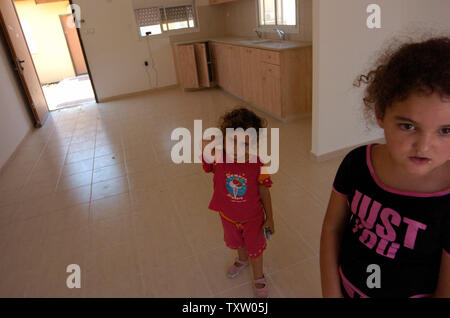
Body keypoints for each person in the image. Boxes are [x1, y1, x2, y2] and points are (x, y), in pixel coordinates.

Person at [320, 37, 450, 298]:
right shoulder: (356, 163)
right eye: (408, 126)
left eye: (446, 131)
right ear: (381, 113)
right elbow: (332, 229)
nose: (424, 147)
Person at [201, 107, 275, 298]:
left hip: (253, 218)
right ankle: (242, 260)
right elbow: (205, 156)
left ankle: (258, 276)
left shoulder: (259, 164)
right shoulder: (218, 158)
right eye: (233, 141)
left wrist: (270, 218)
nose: (238, 148)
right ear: (224, 139)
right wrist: (209, 145)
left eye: (246, 143)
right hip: (227, 215)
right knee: (237, 242)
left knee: (255, 248)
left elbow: (264, 190)